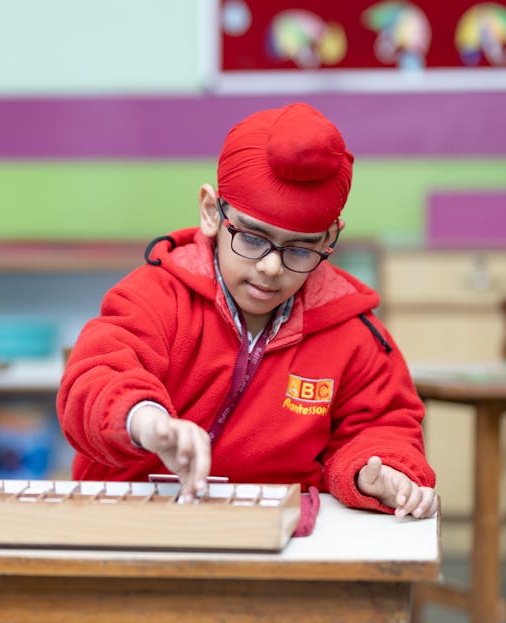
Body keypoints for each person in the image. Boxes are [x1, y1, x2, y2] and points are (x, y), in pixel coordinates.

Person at [57, 103, 437, 519]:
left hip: (276, 541)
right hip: (132, 525)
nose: (271, 267)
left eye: (300, 248)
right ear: (210, 213)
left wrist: (377, 470)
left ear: (330, 237)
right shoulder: (154, 297)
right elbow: (94, 379)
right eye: (252, 239)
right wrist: (145, 421)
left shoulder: (353, 333)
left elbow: (382, 425)